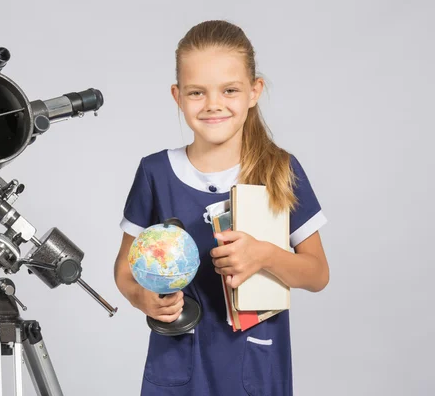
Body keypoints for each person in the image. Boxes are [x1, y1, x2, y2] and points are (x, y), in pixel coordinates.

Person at [113, 20, 330, 396]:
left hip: (255, 365)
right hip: (178, 361)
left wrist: (263, 255)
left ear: (253, 91)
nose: (213, 104)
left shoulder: (281, 170)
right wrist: (142, 299)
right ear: (177, 96)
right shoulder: (155, 172)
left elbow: (317, 274)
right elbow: (124, 270)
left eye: (229, 90)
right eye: (197, 92)